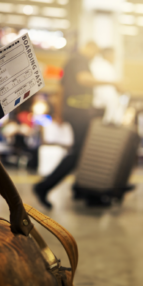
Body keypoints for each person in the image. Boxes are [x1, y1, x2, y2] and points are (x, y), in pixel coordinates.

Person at [33, 42, 121, 209]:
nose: (95, 56)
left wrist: (60, 112)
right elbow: (83, 79)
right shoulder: (79, 59)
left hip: (76, 111)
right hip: (79, 111)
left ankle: (80, 190)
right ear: (91, 47)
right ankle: (44, 186)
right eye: (95, 53)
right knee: (81, 152)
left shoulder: (73, 61)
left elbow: (62, 88)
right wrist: (113, 83)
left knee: (85, 152)